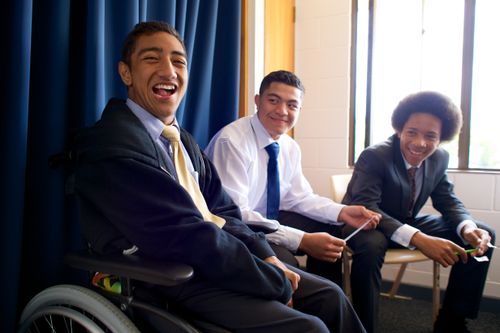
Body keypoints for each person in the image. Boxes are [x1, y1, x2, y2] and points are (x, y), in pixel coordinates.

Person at [71, 21, 367, 333]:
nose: (169, 71)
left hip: (212, 261)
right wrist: (269, 279)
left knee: (331, 297)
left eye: (178, 61)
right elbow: (182, 234)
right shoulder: (114, 144)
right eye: (151, 58)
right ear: (126, 73)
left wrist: (266, 256)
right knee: (308, 328)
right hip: (169, 274)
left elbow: (225, 212)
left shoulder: (180, 140)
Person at [205, 70, 380, 284]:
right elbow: (235, 214)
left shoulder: (289, 146)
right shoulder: (232, 142)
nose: (282, 111)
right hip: (233, 229)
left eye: (292, 105)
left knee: (331, 237)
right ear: (258, 101)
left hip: (266, 219)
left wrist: (342, 211)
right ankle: (306, 304)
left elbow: (298, 197)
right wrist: (302, 240)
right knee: (288, 262)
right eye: (273, 101)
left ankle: (325, 304)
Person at [342, 91, 496, 333]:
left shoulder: (439, 158)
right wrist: (419, 239)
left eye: (430, 136)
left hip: (405, 223)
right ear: (399, 129)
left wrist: (467, 227)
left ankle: (452, 321)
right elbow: (368, 208)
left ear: (441, 138)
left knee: (484, 232)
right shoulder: (375, 156)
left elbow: (447, 201)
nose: (419, 143)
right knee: (371, 245)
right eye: (412, 132)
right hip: (366, 224)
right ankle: (362, 327)